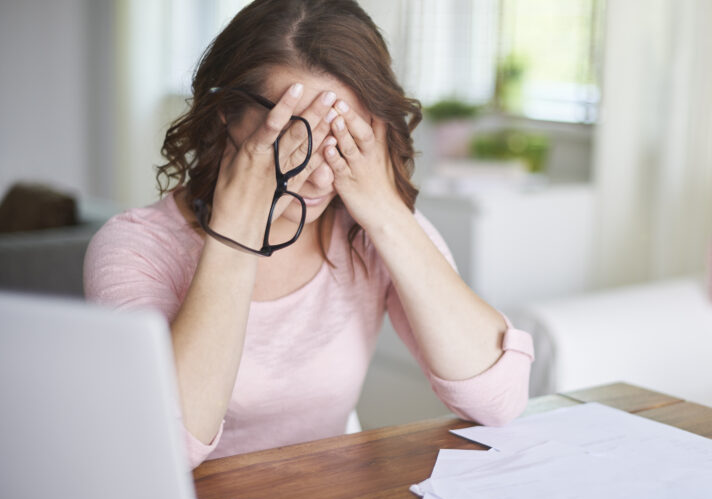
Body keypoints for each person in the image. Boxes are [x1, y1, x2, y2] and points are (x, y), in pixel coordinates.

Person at [83, 0, 534, 469]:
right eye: (293, 144)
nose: (321, 180)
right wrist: (236, 234)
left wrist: (385, 211)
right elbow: (164, 447)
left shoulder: (367, 227)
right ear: (226, 116)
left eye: (343, 142)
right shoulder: (135, 248)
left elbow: (498, 401)